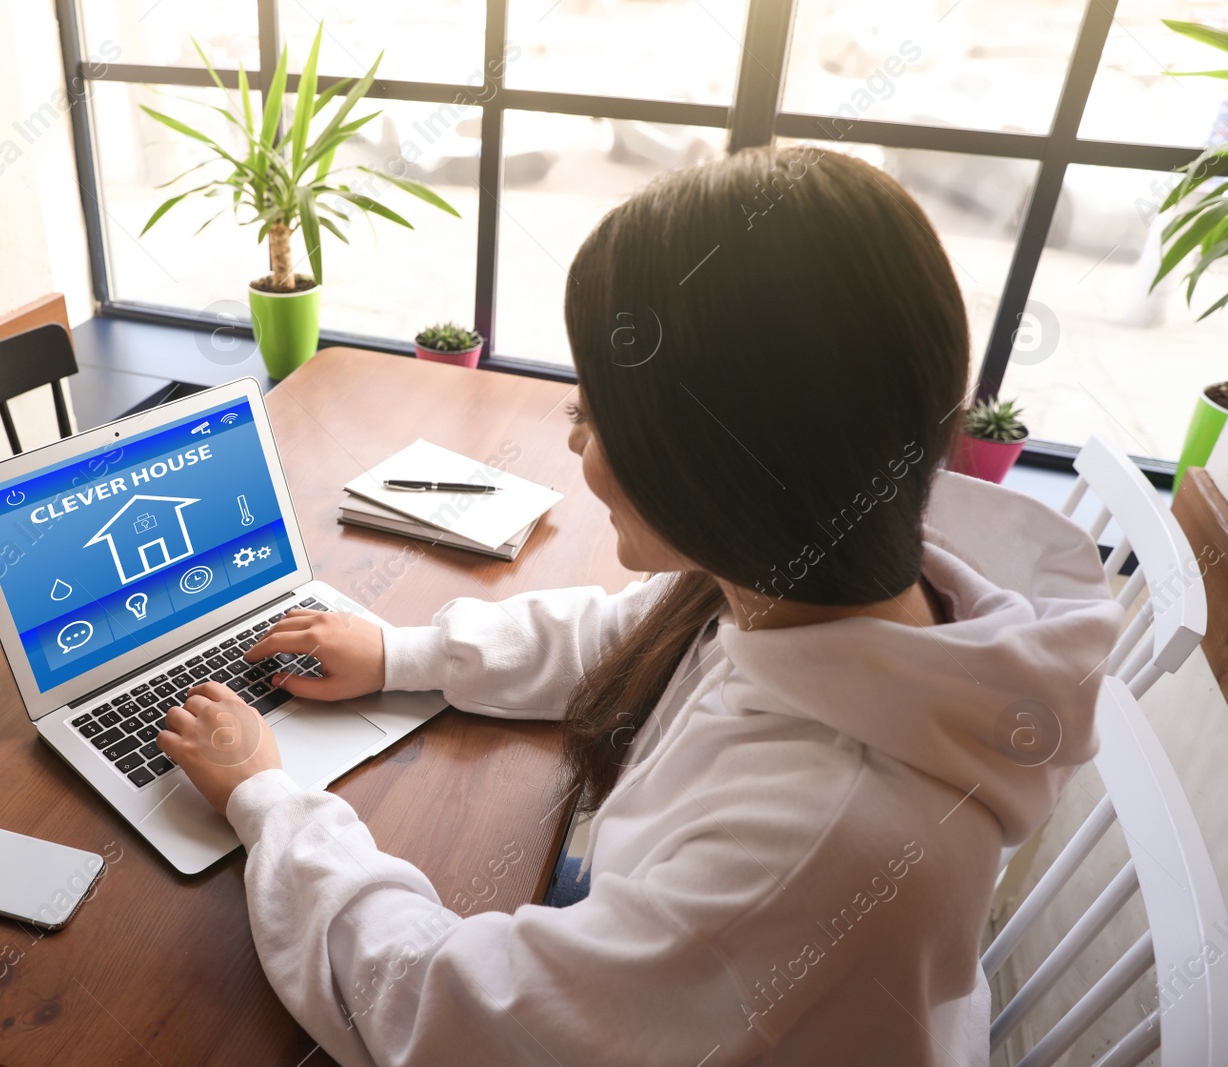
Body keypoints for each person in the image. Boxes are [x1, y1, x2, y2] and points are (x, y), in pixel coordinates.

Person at [154, 145, 1123, 1066]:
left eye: (597, 414)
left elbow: (442, 1013)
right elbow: (624, 633)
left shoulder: (812, 842)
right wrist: (402, 652)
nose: (578, 445)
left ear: (716, 462)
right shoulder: (832, 583)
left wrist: (268, 798)